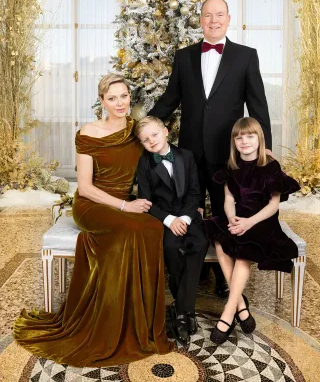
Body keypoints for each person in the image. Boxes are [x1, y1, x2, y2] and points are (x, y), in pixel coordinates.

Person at [14, 74, 173, 367]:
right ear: (101, 101)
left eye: (124, 96)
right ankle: (106, 321)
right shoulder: (89, 131)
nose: (120, 103)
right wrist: (125, 206)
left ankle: (139, 322)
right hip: (92, 204)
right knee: (134, 227)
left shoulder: (135, 132)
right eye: (112, 98)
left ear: (130, 98)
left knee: (151, 228)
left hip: (122, 205)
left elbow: (161, 151)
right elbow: (85, 187)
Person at [149, 0, 272, 297]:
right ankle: (195, 266)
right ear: (200, 20)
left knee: (224, 213)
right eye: (207, 15)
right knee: (188, 208)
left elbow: (257, 104)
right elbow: (170, 100)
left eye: (219, 15)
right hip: (189, 153)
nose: (213, 20)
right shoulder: (184, 56)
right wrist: (146, 126)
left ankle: (223, 276)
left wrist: (264, 147)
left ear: (228, 19)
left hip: (226, 153)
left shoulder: (245, 56)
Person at [205, 117, 299, 344]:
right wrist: (232, 218)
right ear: (234, 142)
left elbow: (273, 205)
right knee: (220, 240)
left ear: (259, 139)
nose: (244, 141)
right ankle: (241, 306)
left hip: (263, 221)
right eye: (239, 138)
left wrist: (248, 223)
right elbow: (228, 199)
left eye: (249, 136)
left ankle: (229, 311)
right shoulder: (232, 168)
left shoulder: (270, 166)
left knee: (243, 249)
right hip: (239, 217)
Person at [135, 116, 209, 345]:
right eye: (145, 140)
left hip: (188, 216)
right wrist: (169, 220)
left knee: (199, 244)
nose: (151, 141)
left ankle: (181, 309)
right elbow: (146, 201)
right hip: (164, 219)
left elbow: (195, 193)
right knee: (171, 248)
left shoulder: (186, 156)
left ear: (166, 131)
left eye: (154, 135)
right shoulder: (145, 163)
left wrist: (185, 218)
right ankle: (187, 312)